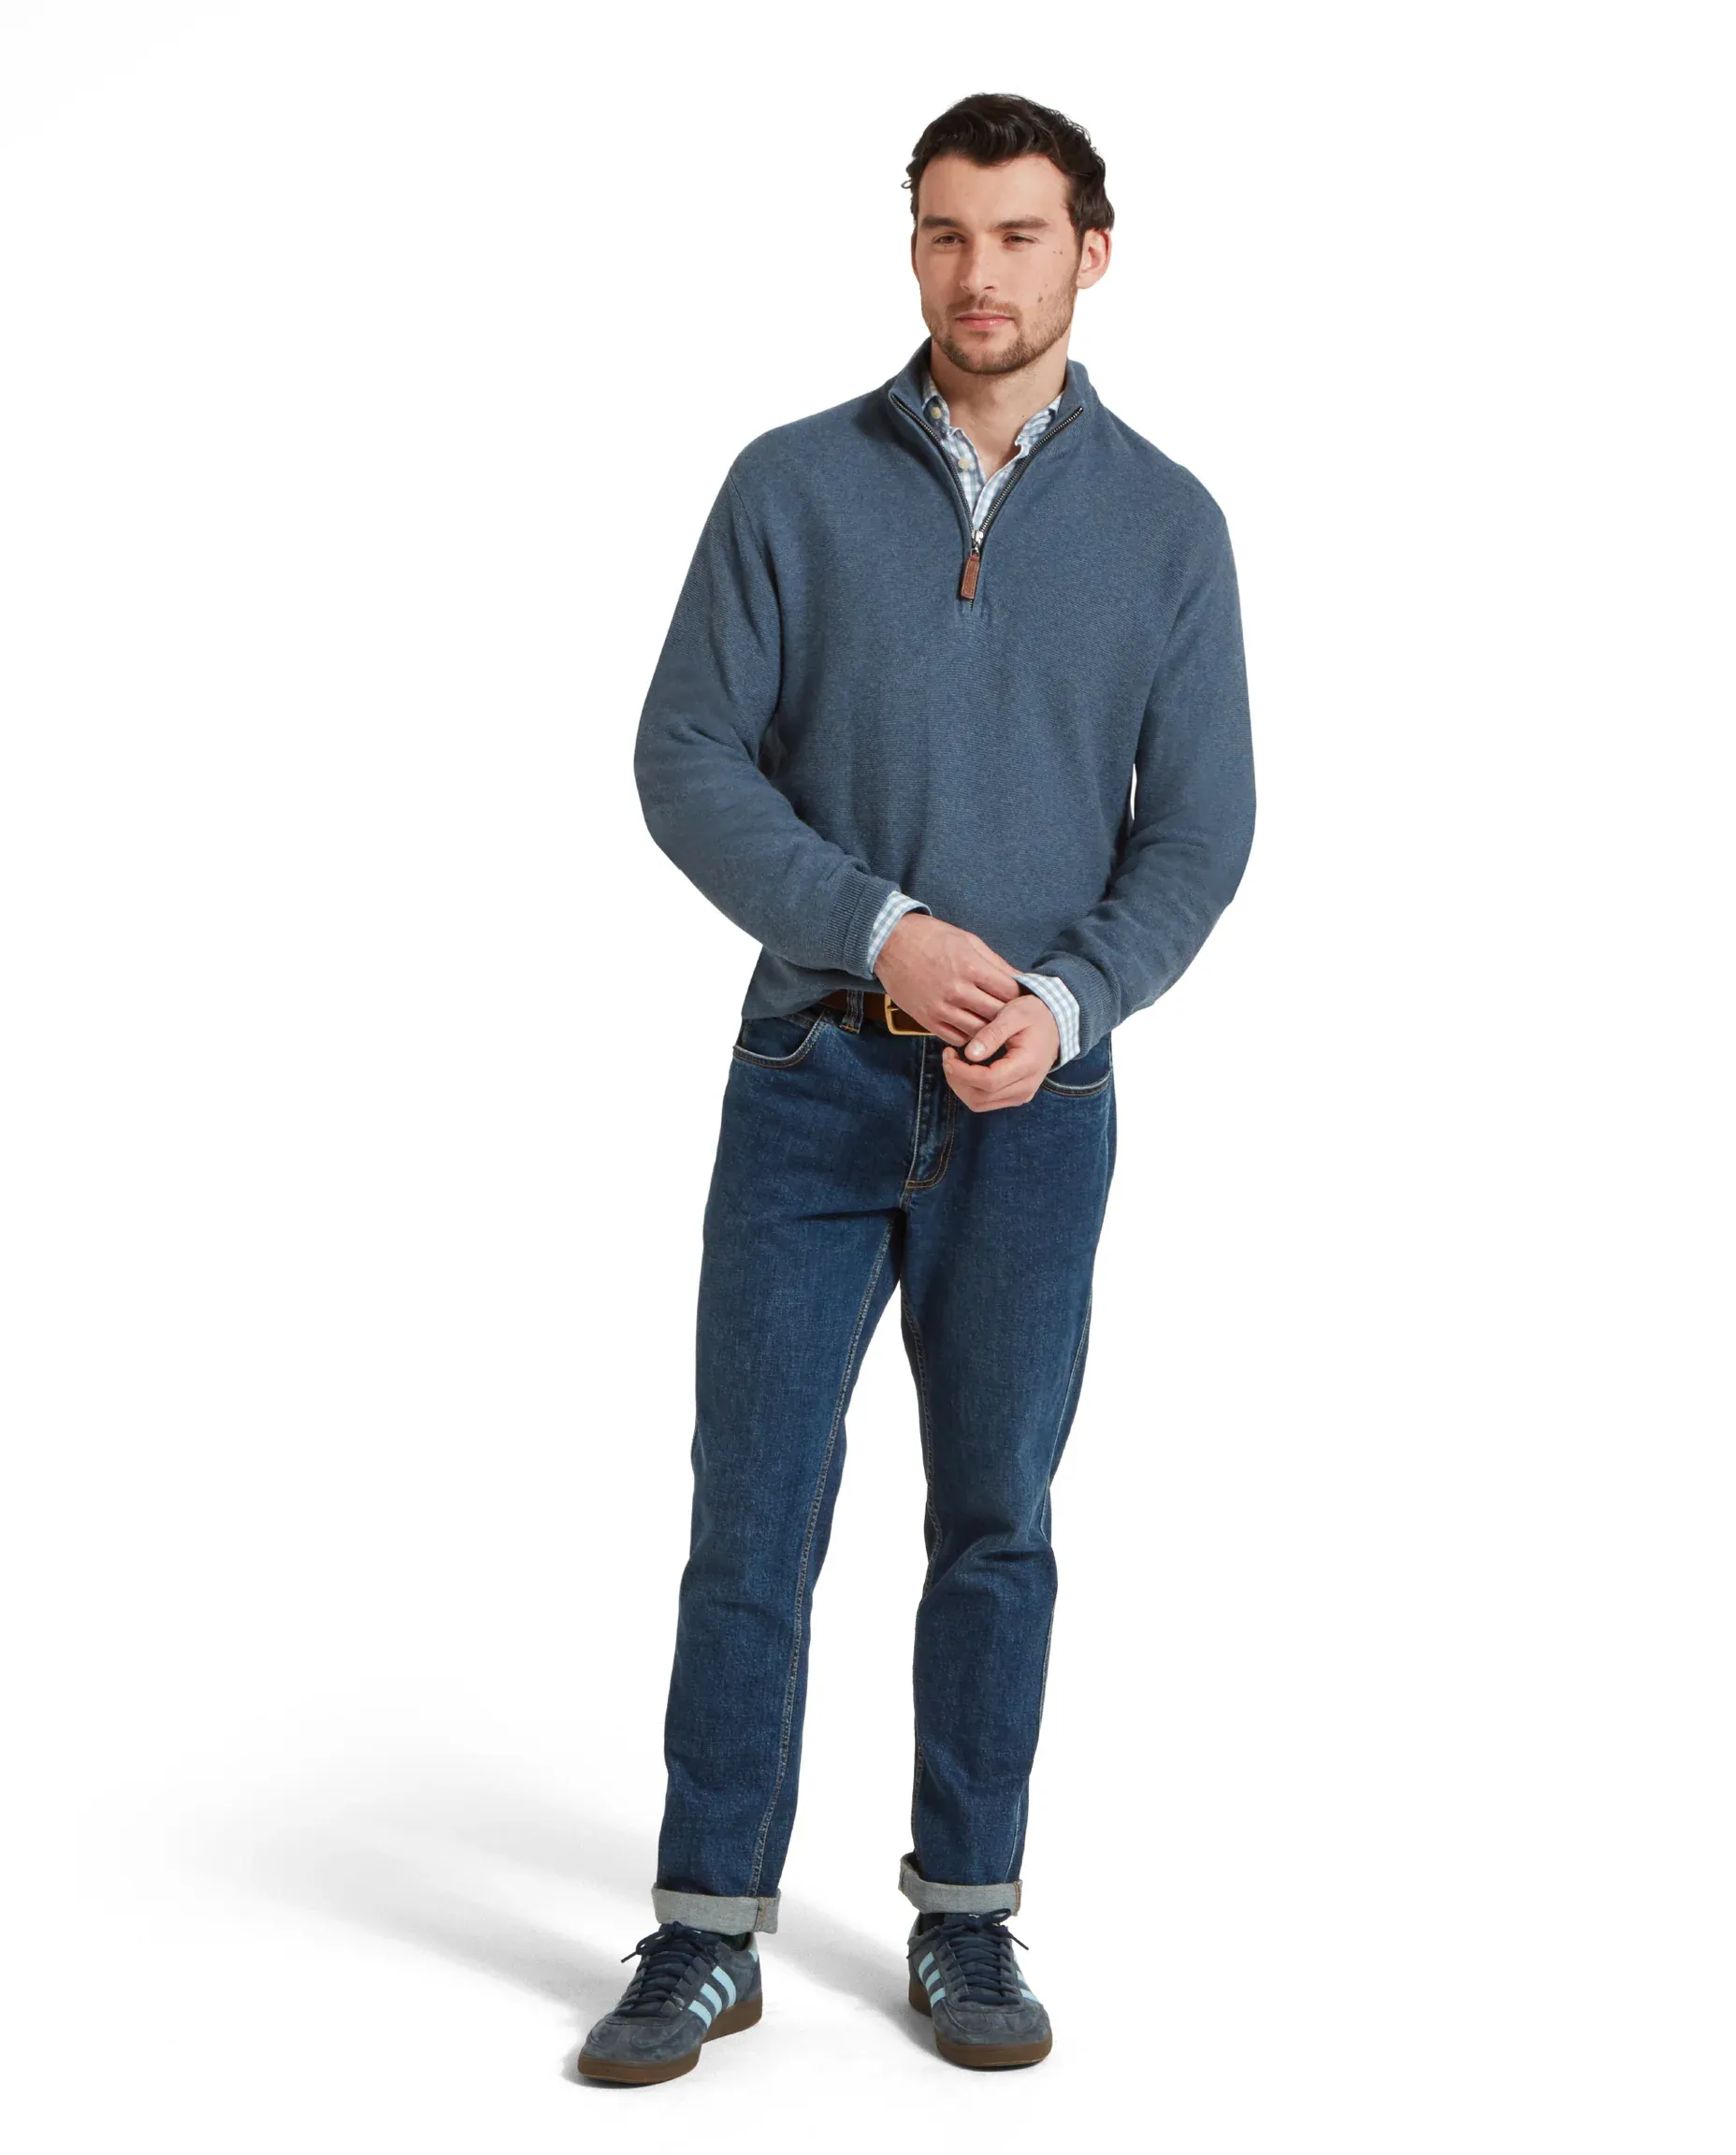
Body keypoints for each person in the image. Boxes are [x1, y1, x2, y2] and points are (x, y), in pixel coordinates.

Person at [578, 90, 1254, 2085]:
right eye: (949, 232)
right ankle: (708, 1929)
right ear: (913, 248)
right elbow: (686, 757)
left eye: (1022, 235)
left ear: (1092, 253)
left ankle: (967, 1913)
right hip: (810, 1076)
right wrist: (874, 927)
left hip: (1039, 1102)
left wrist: (1070, 996)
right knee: (753, 1515)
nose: (981, 273)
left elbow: (1199, 833)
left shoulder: (1169, 528)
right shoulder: (790, 485)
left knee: (996, 1516)